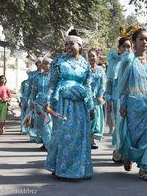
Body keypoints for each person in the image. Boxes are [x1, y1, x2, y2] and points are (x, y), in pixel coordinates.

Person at [44, 29, 94, 180]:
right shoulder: (58, 61)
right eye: (66, 44)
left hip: (80, 105)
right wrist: (48, 102)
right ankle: (62, 168)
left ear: (79, 45)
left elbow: (88, 86)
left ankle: (81, 169)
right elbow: (52, 83)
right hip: (63, 104)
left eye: (72, 43)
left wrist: (91, 107)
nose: (68, 46)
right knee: (64, 136)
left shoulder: (85, 65)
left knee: (80, 137)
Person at [115, 28, 147, 182]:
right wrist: (123, 104)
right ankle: (127, 155)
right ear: (134, 42)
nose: (145, 42)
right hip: (133, 105)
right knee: (134, 136)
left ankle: (145, 168)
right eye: (141, 39)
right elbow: (123, 85)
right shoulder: (128, 60)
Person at [106, 36, 131, 162]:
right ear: (119, 49)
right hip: (117, 98)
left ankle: (127, 152)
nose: (126, 49)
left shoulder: (133, 61)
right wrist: (109, 99)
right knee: (120, 125)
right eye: (124, 46)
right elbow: (109, 82)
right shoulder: (114, 62)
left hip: (132, 97)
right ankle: (118, 150)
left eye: (129, 46)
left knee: (130, 125)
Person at [31, 57, 53, 151]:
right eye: (43, 63)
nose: (44, 65)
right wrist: (32, 101)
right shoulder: (38, 77)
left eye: (46, 63)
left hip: (50, 104)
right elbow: (34, 90)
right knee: (40, 123)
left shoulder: (54, 77)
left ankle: (50, 145)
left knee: (49, 123)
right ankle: (45, 142)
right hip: (39, 103)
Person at [87, 48, 106, 149]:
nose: (91, 58)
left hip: (97, 98)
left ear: (97, 57)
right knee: (89, 119)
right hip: (87, 98)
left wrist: (100, 96)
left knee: (96, 119)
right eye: (89, 56)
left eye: (93, 56)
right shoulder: (85, 69)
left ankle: (93, 139)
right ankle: (89, 140)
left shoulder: (100, 70)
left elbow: (103, 84)